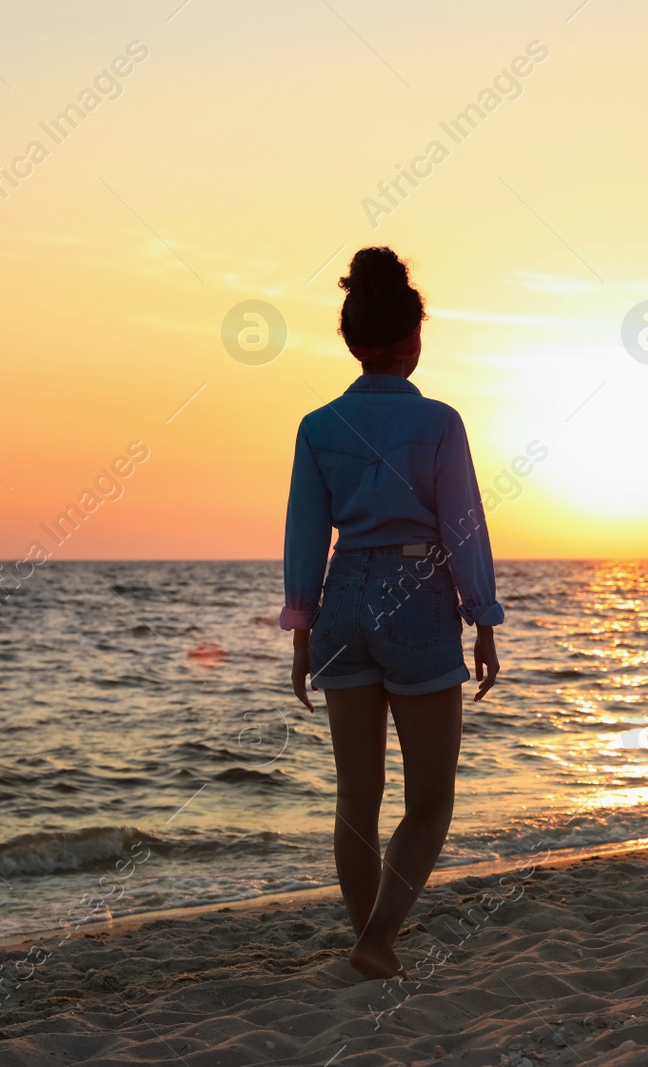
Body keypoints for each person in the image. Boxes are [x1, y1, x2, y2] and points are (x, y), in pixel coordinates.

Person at [280, 246, 503, 980]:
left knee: (357, 798)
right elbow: (462, 525)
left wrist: (301, 631)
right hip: (417, 594)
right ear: (415, 341)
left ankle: (371, 942)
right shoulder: (440, 422)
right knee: (431, 798)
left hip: (342, 598)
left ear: (350, 341)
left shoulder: (317, 427)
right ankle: (376, 940)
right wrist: (484, 616)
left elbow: (307, 536)